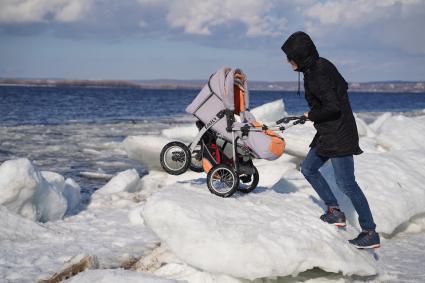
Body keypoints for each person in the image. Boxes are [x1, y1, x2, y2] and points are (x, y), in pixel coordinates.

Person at [281, 31, 380, 249]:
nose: (288, 61)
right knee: (308, 169)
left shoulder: (318, 73)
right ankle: (334, 211)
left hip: (340, 134)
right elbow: (340, 88)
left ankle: (370, 231)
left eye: (290, 57)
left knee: (347, 183)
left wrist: (311, 115)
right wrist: (315, 114)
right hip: (328, 132)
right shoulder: (317, 66)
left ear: (301, 54)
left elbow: (333, 106)